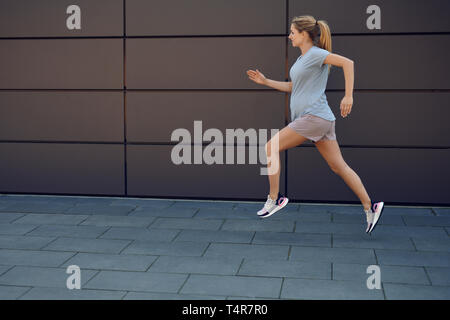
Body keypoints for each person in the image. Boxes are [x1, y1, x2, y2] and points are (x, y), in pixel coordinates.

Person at [246, 15, 384, 234]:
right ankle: (371, 206)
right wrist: (265, 81)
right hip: (322, 120)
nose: (289, 35)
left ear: (304, 34)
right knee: (339, 166)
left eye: (292, 32)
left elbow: (348, 63)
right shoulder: (302, 60)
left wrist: (349, 96)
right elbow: (294, 86)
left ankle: (275, 198)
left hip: (313, 118)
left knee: (270, 147)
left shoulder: (316, 54)